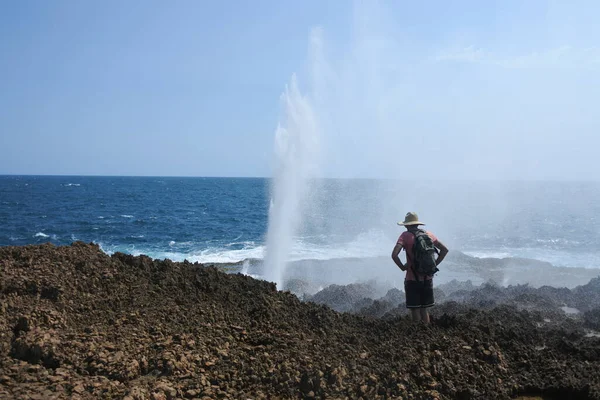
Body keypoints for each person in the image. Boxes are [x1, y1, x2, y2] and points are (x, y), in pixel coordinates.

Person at [391, 212, 448, 323]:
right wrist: (435, 264)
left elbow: (394, 255)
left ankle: (417, 334)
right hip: (428, 278)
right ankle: (425, 333)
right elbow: (445, 250)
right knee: (424, 309)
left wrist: (403, 267)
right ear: (417, 224)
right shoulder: (428, 235)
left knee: (414, 309)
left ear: (407, 225)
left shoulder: (405, 236)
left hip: (412, 278)